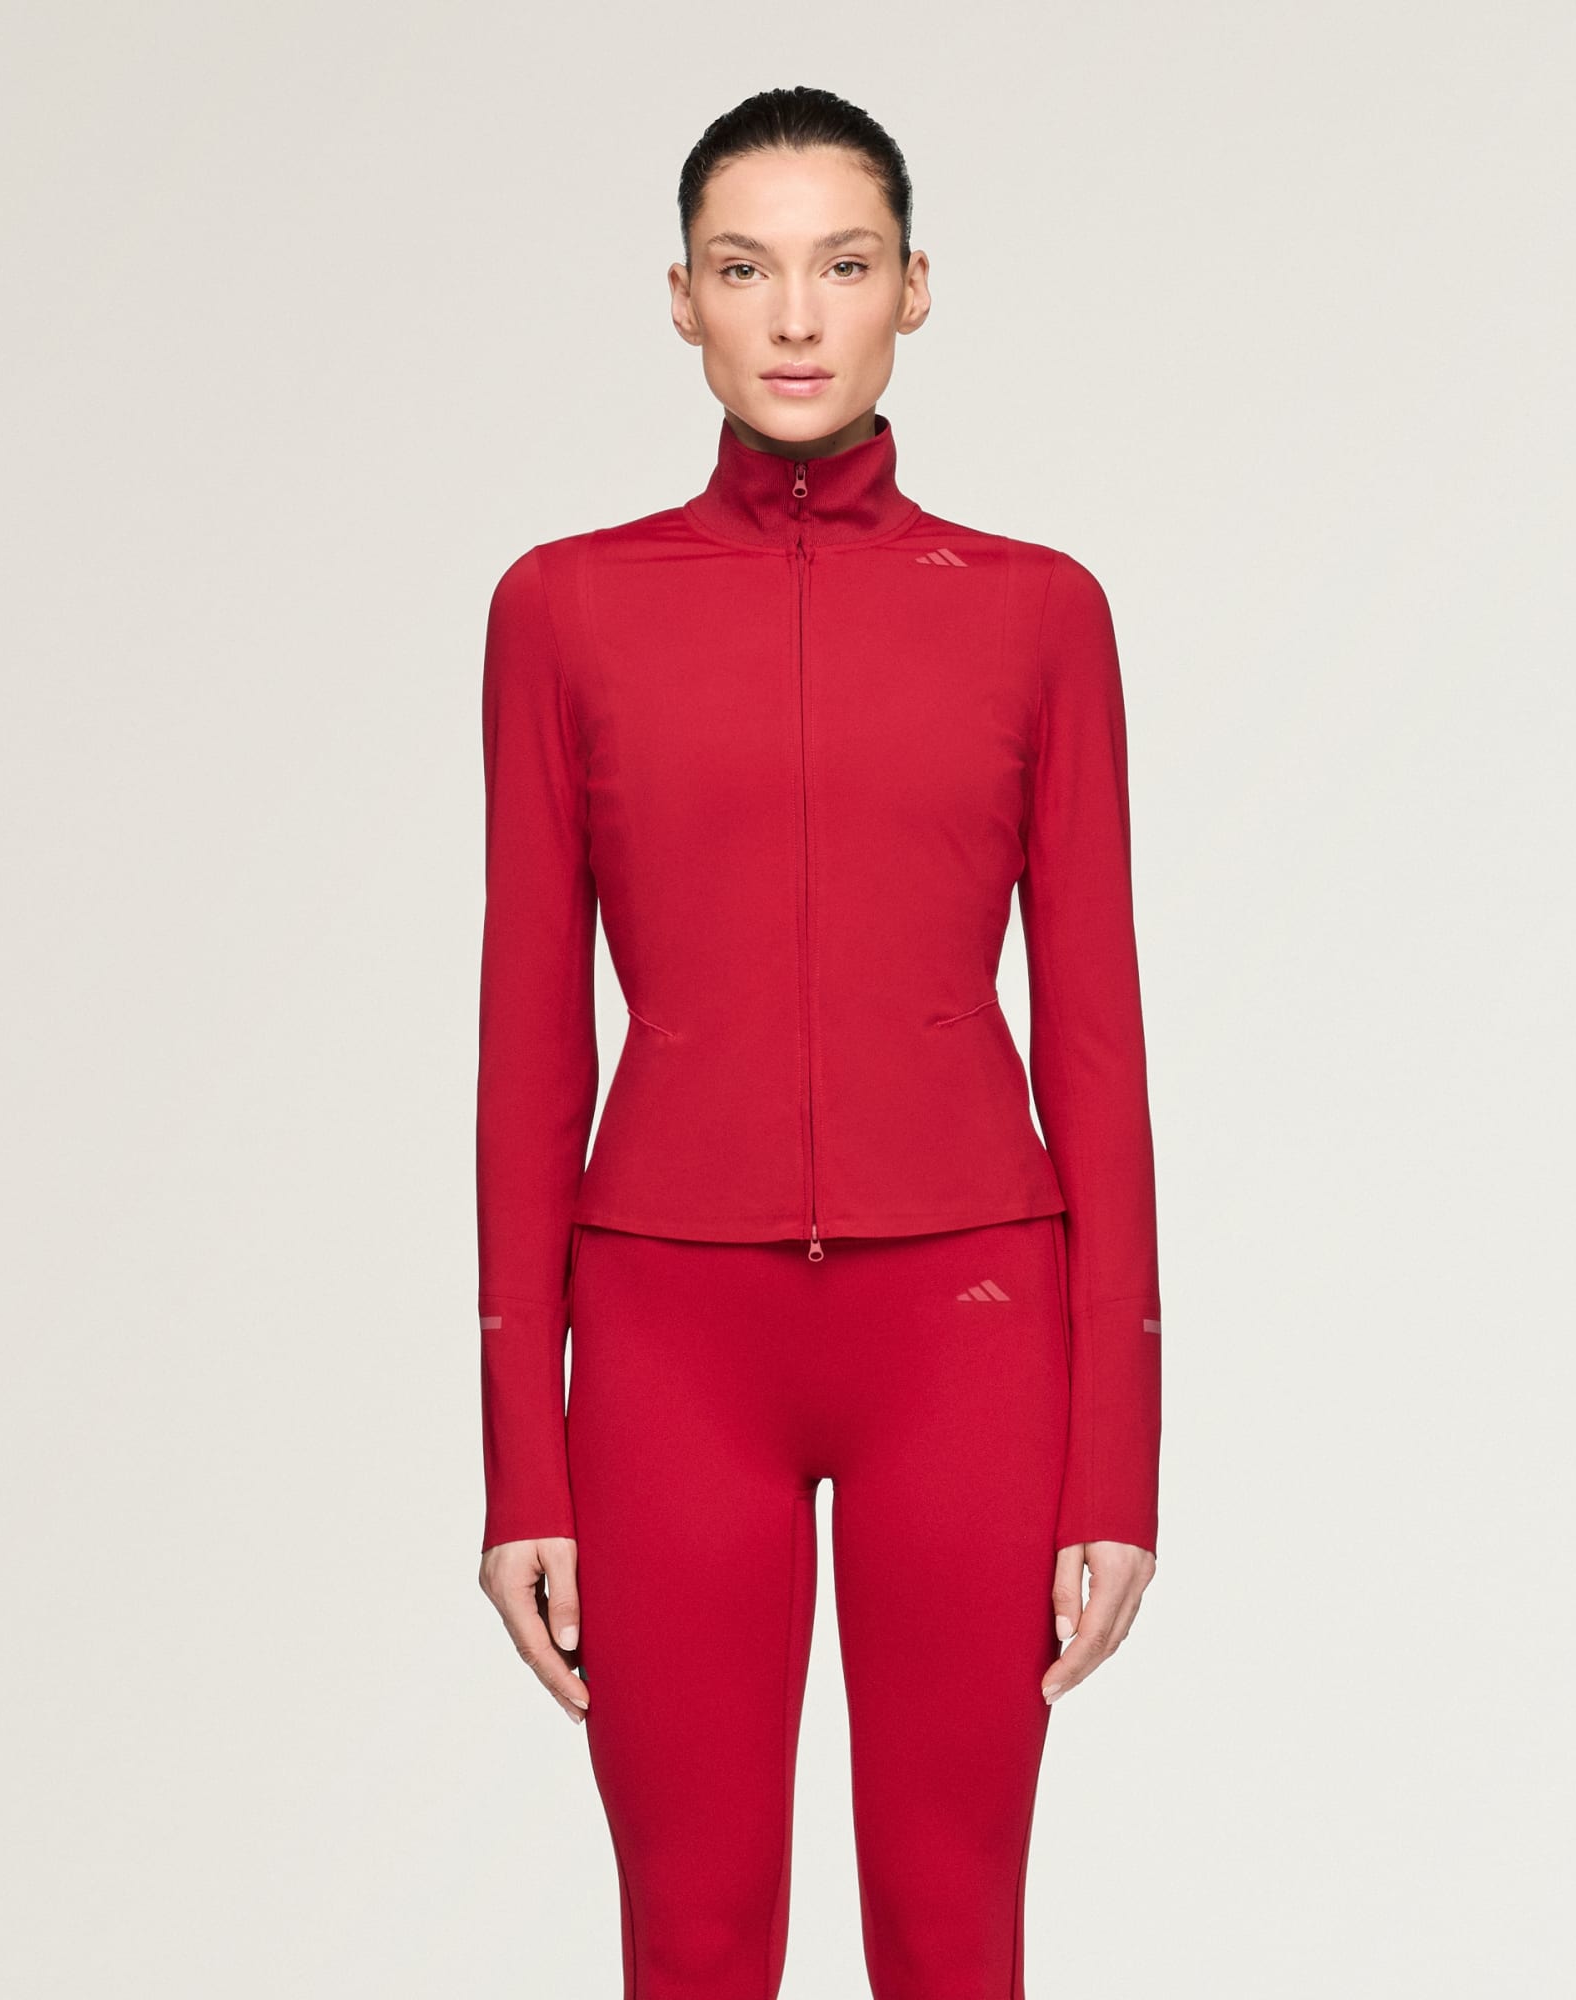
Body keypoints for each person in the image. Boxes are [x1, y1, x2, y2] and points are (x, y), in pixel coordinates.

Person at [473, 84, 1163, 1999]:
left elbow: (1098, 1054)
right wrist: (522, 1464)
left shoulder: (1039, 615)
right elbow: (525, 1054)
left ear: (914, 289)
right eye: (744, 269)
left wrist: (1118, 1466)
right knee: (691, 1944)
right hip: (669, 1341)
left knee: (954, 1938)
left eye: (843, 266)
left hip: (971, 1331)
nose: (794, 316)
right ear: (679, 299)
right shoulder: (564, 609)